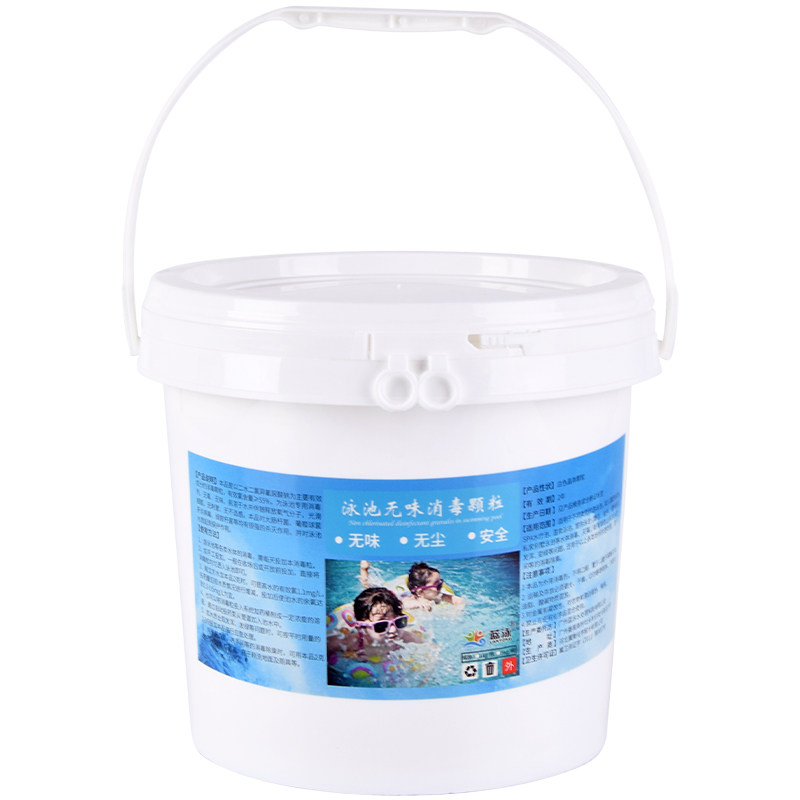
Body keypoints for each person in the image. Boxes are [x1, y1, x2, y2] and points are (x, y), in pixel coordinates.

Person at [327, 586, 423, 658]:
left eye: (398, 622)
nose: (393, 630)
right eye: (381, 625)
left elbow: (427, 650)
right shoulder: (350, 643)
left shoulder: (405, 638)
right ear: (360, 628)